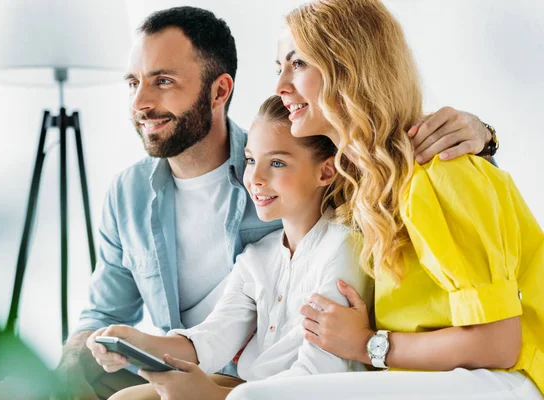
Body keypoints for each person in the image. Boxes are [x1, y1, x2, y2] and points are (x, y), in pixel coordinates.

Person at [0, 5, 496, 400]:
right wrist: (95, 349)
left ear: (220, 90)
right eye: (133, 82)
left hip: (246, 378)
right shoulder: (131, 193)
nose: (139, 104)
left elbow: (384, 147)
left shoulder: (300, 164)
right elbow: (117, 313)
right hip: (176, 358)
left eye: (163, 82)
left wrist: (483, 135)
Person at [227, 0, 544, 399]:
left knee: (251, 398)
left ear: (348, 67)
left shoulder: (437, 172)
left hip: (507, 378)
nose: (280, 86)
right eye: (279, 67)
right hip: (424, 373)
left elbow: (499, 344)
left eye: (298, 64)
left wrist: (367, 344)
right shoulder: (358, 184)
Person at [91, 94, 370, 400]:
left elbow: (319, 375)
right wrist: (136, 341)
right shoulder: (259, 256)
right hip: (252, 388)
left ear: (326, 172)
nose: (256, 178)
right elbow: (213, 338)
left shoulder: (341, 249)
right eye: (251, 160)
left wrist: (211, 396)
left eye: (276, 162)